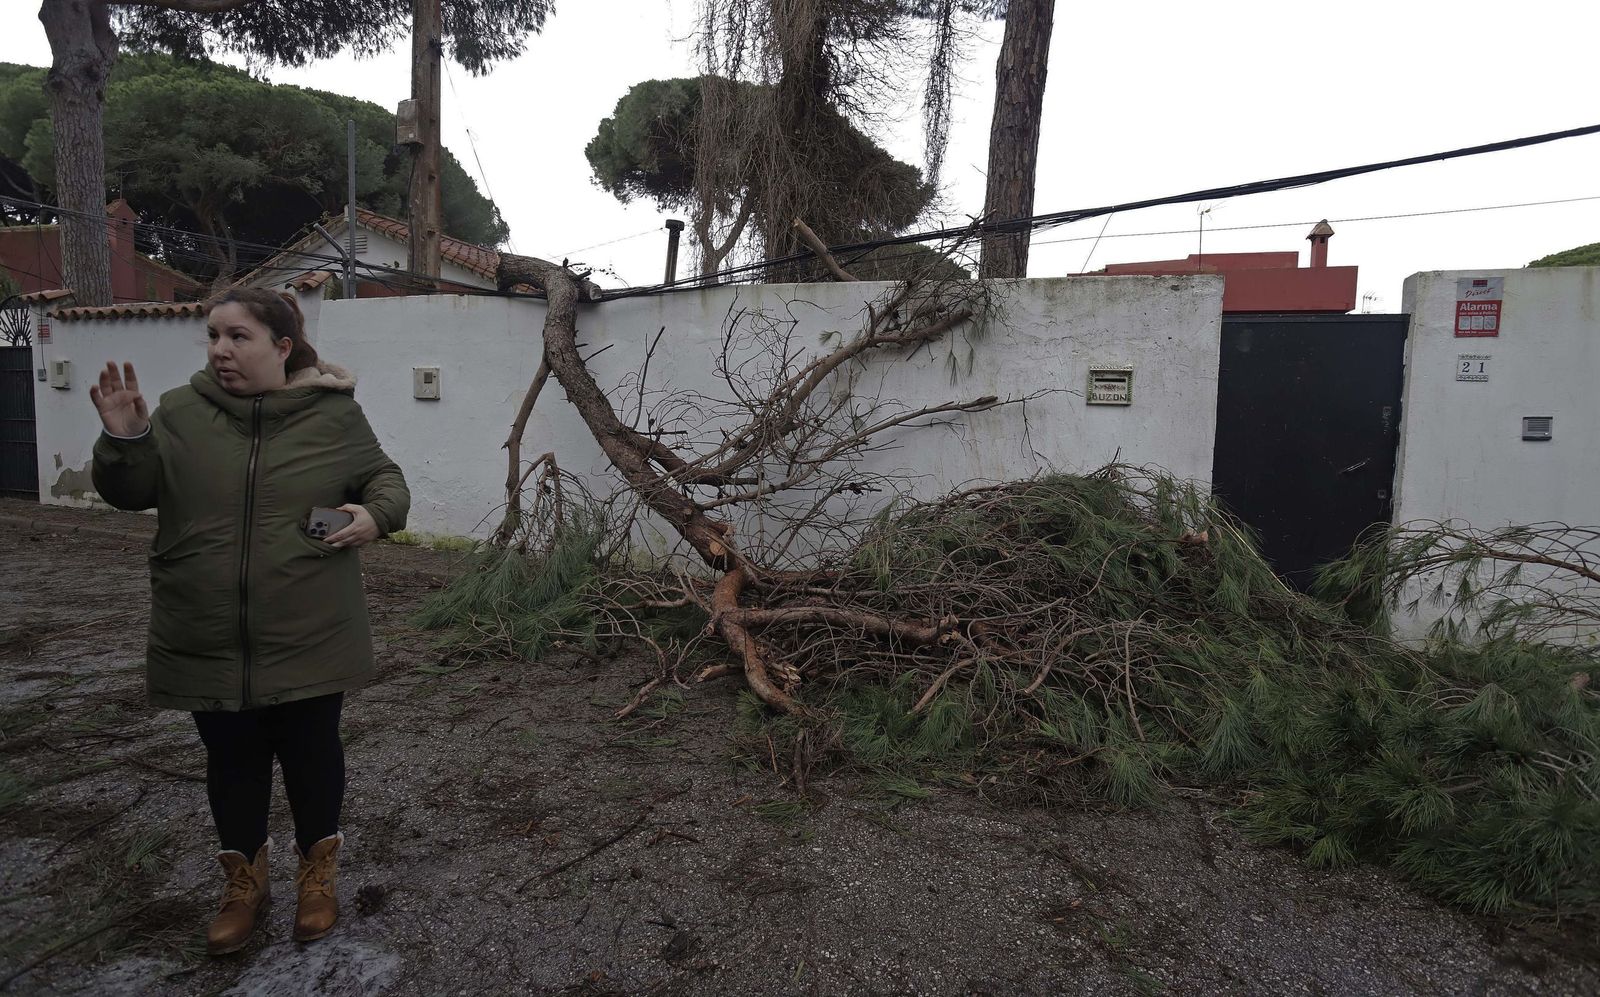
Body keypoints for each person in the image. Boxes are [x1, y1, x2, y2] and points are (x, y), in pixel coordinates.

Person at [89, 287, 409, 955]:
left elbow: (385, 480)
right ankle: (244, 883)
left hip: (310, 623)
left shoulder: (331, 416)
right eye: (213, 335)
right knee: (232, 759)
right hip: (203, 625)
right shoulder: (179, 412)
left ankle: (316, 878)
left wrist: (371, 515)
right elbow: (130, 491)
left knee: (312, 752)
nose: (220, 349)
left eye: (238, 336)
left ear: (282, 346)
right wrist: (125, 437)